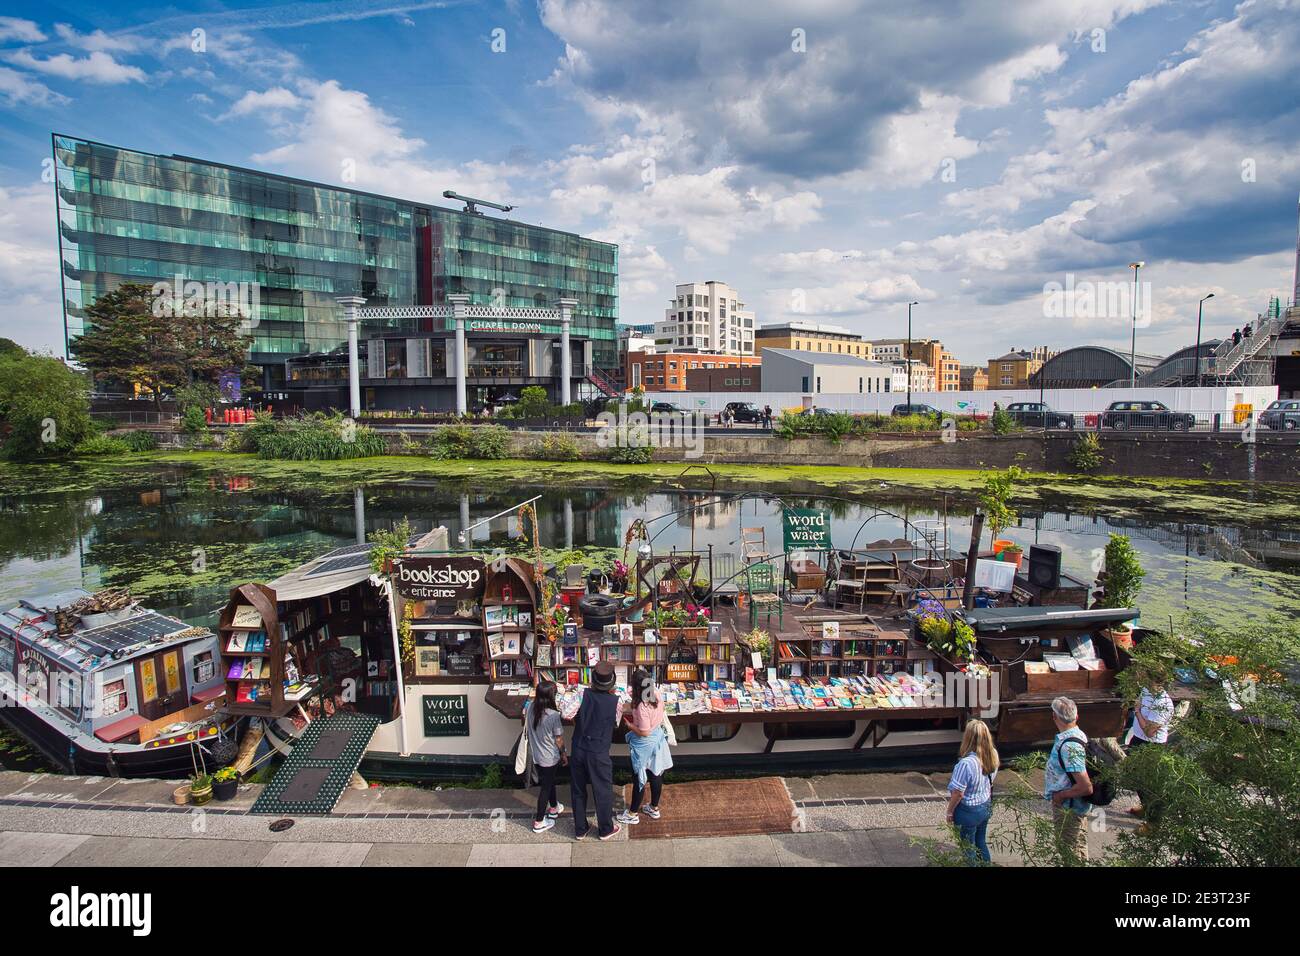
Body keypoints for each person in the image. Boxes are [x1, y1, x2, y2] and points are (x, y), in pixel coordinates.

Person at [569, 661, 623, 841]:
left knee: (578, 789)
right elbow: (615, 723)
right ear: (611, 683)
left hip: (578, 746)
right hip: (598, 750)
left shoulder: (581, 694)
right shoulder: (616, 701)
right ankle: (605, 829)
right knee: (603, 790)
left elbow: (566, 713)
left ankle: (580, 829)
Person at [618, 668, 673, 825]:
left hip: (645, 744)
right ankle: (654, 808)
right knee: (656, 774)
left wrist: (630, 726)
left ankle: (632, 813)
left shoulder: (642, 707)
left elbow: (644, 732)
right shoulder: (655, 694)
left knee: (639, 778)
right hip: (658, 740)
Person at [1044, 695, 1093, 862]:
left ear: (1054, 717)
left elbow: (1085, 786)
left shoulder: (1069, 746)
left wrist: (1060, 796)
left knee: (1068, 848)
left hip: (1069, 808)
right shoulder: (1078, 735)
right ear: (1076, 717)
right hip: (1073, 806)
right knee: (1078, 846)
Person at [945, 718, 998, 863]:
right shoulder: (993, 754)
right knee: (981, 843)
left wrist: (949, 811)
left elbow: (958, 793)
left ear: (967, 738)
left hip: (968, 811)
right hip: (985, 805)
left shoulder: (966, 763)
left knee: (968, 849)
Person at [1127, 670, 1173, 827]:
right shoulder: (1147, 690)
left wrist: (1137, 711)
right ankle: (1146, 808)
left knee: (1150, 784)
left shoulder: (1164, 704)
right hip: (1139, 739)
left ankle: (1154, 823)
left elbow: (1150, 731)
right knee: (1136, 778)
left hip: (1151, 746)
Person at [527, 681, 566, 833]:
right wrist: (563, 753)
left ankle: (554, 807)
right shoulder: (553, 715)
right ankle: (539, 821)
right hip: (550, 757)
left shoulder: (531, 707)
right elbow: (558, 739)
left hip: (536, 754)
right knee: (545, 788)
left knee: (548, 782)